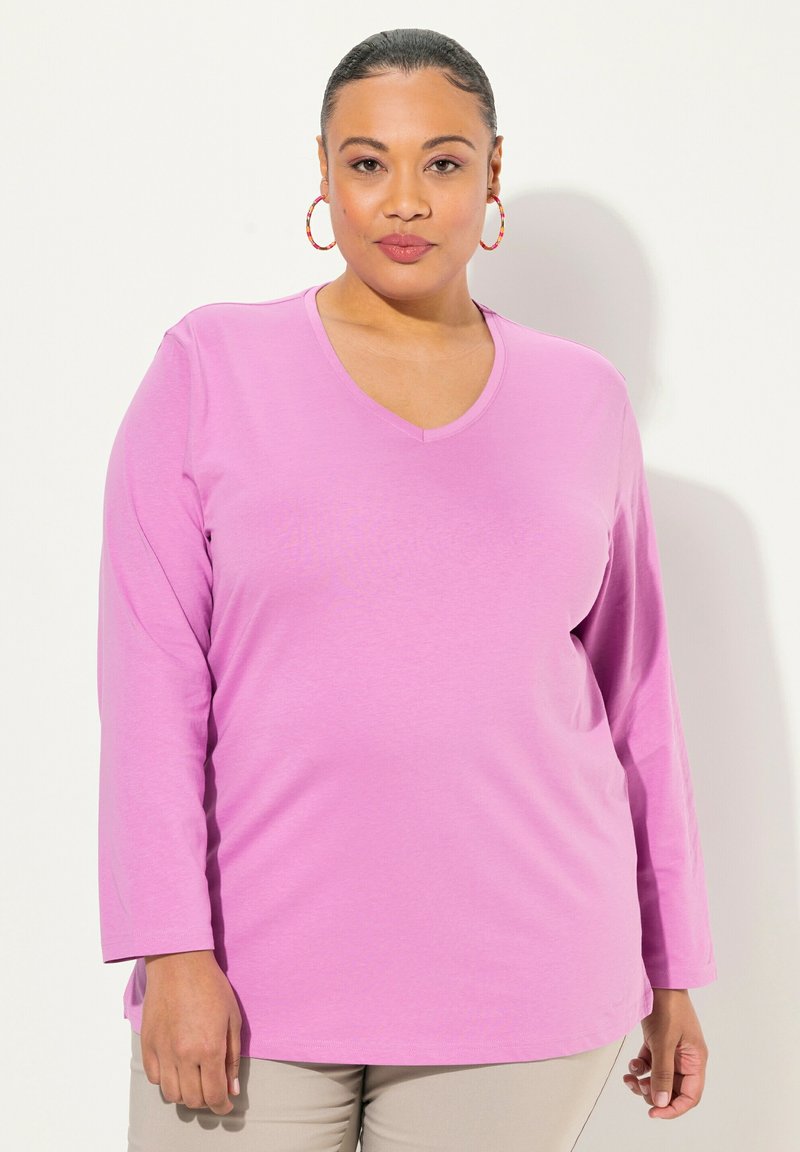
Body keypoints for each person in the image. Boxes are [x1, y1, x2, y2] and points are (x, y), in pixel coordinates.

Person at [96, 27, 718, 1152]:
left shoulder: (583, 400)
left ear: (491, 172)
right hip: (250, 975)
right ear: (323, 174)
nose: (405, 199)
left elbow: (639, 702)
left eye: (442, 161)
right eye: (367, 162)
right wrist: (171, 946)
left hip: (529, 974)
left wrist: (671, 965)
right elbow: (151, 683)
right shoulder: (209, 367)